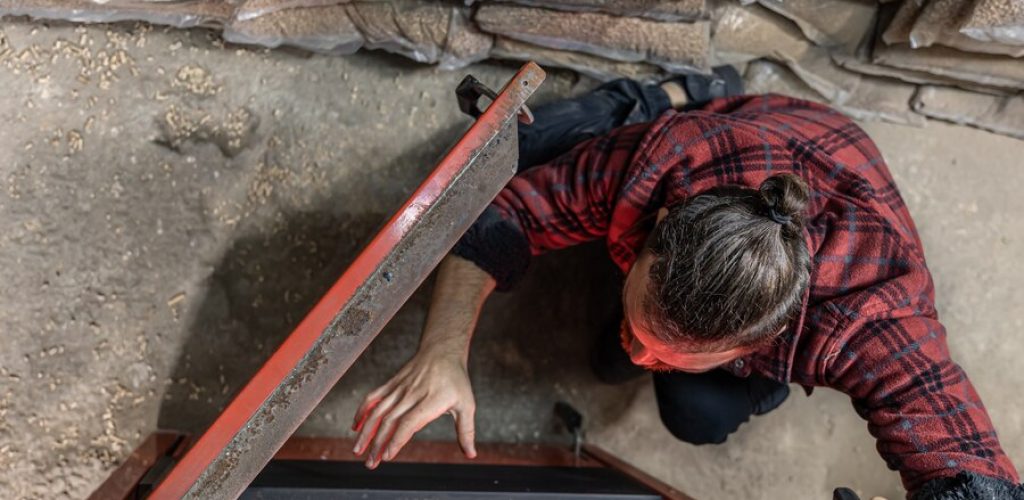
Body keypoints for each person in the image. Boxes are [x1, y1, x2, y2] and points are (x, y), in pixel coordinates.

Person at [350, 69, 1022, 499]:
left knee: (696, 417)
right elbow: (510, 208)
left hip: (838, 165)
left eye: (668, 351)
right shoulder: (660, 165)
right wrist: (440, 348)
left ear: (770, 335)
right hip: (769, 122)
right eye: (645, 327)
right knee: (538, 152)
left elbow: (976, 474)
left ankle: (718, 373)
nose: (645, 354)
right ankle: (673, 91)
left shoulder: (870, 315)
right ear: (660, 226)